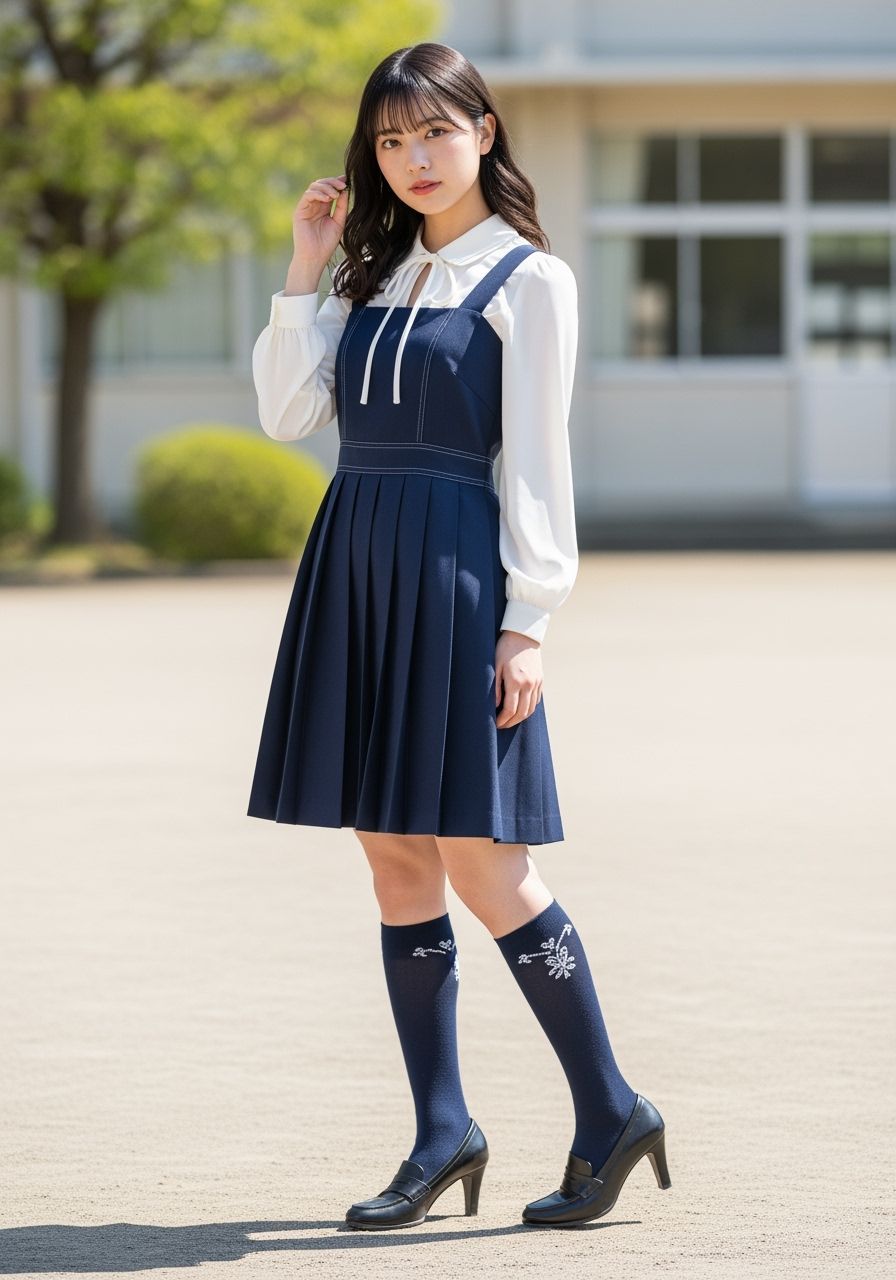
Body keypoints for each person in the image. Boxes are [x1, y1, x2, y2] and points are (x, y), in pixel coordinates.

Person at [246, 41, 670, 1229]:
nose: (414, 158)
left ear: (482, 132)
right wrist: (306, 266)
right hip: (354, 561)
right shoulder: (370, 277)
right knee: (391, 853)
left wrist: (528, 620)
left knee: (485, 861)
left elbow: (536, 458)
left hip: (450, 577)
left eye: (434, 131)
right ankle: (442, 1129)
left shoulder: (529, 280)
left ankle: (610, 1106)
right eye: (390, 140)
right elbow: (287, 413)